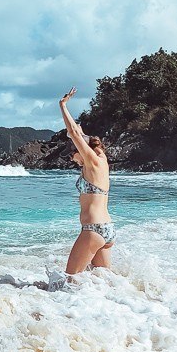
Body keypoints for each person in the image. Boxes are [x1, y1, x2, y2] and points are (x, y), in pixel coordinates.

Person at [58, 86, 115, 278]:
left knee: (68, 281)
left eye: (73, 153)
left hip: (94, 230)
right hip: (106, 229)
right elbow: (78, 134)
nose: (72, 157)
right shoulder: (102, 162)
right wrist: (80, 134)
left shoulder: (92, 162)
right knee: (105, 283)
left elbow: (74, 133)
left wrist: (63, 105)